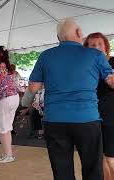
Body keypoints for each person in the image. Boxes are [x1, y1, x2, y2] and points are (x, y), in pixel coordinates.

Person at [28, 18, 114, 180]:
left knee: (62, 171)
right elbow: (111, 82)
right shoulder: (95, 55)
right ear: (79, 33)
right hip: (87, 120)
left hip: (54, 120)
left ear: (59, 38)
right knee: (93, 170)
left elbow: (33, 88)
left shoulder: (46, 56)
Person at [84, 32, 114, 180]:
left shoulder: (112, 62)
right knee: (99, 157)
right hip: (92, 116)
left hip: (110, 116)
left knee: (111, 157)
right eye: (92, 45)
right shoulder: (86, 67)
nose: (96, 47)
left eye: (99, 44)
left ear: (106, 46)